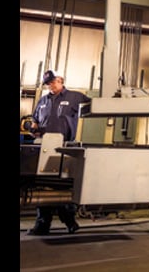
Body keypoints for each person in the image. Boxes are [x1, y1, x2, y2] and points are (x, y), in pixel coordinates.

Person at [27, 70, 91, 235]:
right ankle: (43, 225)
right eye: (48, 84)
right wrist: (32, 128)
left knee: (62, 186)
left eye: (53, 82)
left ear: (60, 81)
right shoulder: (42, 101)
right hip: (44, 147)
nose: (50, 86)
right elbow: (34, 121)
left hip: (64, 148)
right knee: (43, 186)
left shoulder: (75, 97)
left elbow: (95, 106)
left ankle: (69, 221)